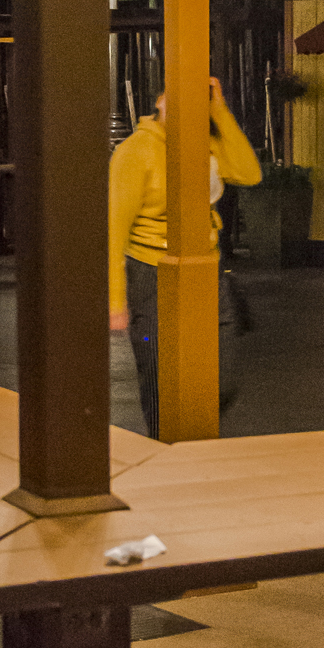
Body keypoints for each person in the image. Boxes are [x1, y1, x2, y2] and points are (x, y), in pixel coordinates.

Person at [108, 77, 261, 437]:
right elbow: (113, 231)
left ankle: (193, 441)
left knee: (219, 380)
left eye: (197, 104)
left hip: (207, 269)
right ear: (161, 103)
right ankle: (167, 454)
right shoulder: (136, 151)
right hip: (151, 273)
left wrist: (220, 111)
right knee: (161, 382)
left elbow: (248, 173)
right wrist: (116, 301)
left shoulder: (203, 144)